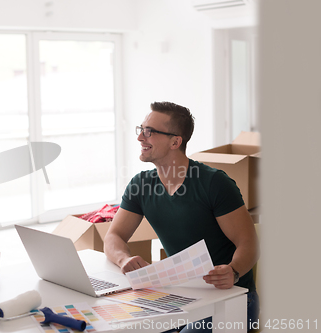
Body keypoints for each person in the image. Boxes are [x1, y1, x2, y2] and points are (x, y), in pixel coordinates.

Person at [104, 101, 259, 332]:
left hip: (232, 299)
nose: (140, 138)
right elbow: (113, 236)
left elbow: (249, 243)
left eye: (150, 132)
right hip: (180, 295)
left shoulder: (214, 183)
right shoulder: (141, 184)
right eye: (141, 129)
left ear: (176, 141)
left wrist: (234, 271)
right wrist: (123, 259)